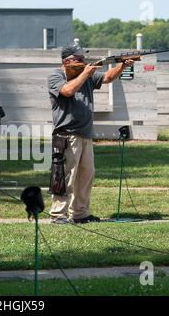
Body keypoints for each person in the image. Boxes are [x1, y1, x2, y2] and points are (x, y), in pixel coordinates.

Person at [48, 45, 134, 224]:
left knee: (86, 175)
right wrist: (85, 73)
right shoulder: (56, 76)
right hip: (67, 135)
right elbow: (67, 91)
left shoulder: (86, 75)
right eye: (79, 59)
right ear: (67, 61)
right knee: (65, 176)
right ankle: (58, 214)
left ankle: (80, 213)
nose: (84, 62)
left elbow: (108, 77)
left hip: (85, 134)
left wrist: (122, 66)